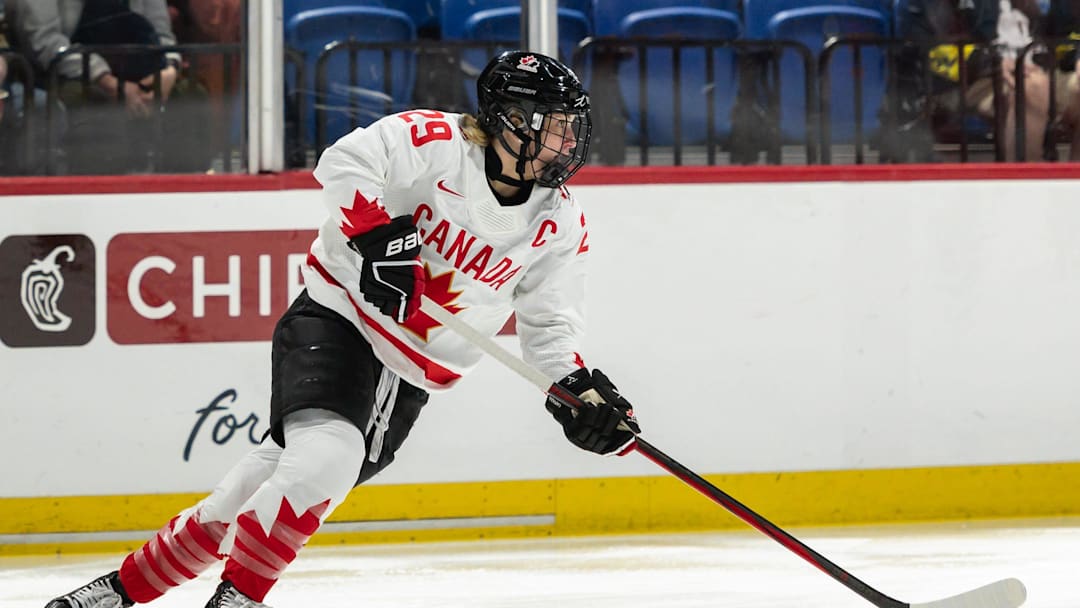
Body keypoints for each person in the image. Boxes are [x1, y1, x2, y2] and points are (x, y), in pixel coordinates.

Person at [43, 50, 641, 608]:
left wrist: (578, 392)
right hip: (340, 318)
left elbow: (549, 328)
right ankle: (238, 599)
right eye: (554, 123)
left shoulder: (558, 222)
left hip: (409, 381)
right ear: (508, 121)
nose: (568, 141)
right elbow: (345, 162)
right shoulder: (433, 142)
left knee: (255, 492)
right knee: (325, 461)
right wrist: (376, 234)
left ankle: (118, 589)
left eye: (571, 127)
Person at [7, 0, 210, 173]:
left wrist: (169, 70)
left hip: (141, 69)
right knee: (94, 106)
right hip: (69, 74)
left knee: (191, 95)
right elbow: (45, 41)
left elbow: (163, 34)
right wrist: (107, 81)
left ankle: (187, 203)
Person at [905, 0, 1053, 161]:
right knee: (1032, 88)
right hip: (963, 81)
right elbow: (932, 49)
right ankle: (1022, 179)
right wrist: (991, 61)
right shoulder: (936, 6)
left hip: (1027, 73)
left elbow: (1054, 37)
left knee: (1040, 86)